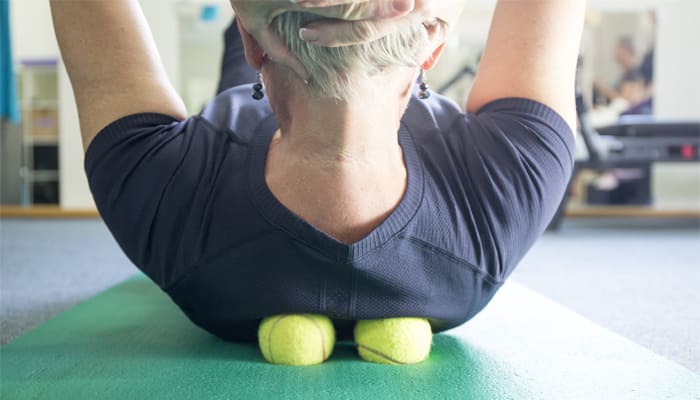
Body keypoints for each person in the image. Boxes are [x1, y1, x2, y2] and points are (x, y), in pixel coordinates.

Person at [50, 0, 584, 364]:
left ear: (250, 43)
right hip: (287, 41)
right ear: (434, 47)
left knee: (263, 56)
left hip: (266, 63)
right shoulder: (509, 187)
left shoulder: (163, 192)